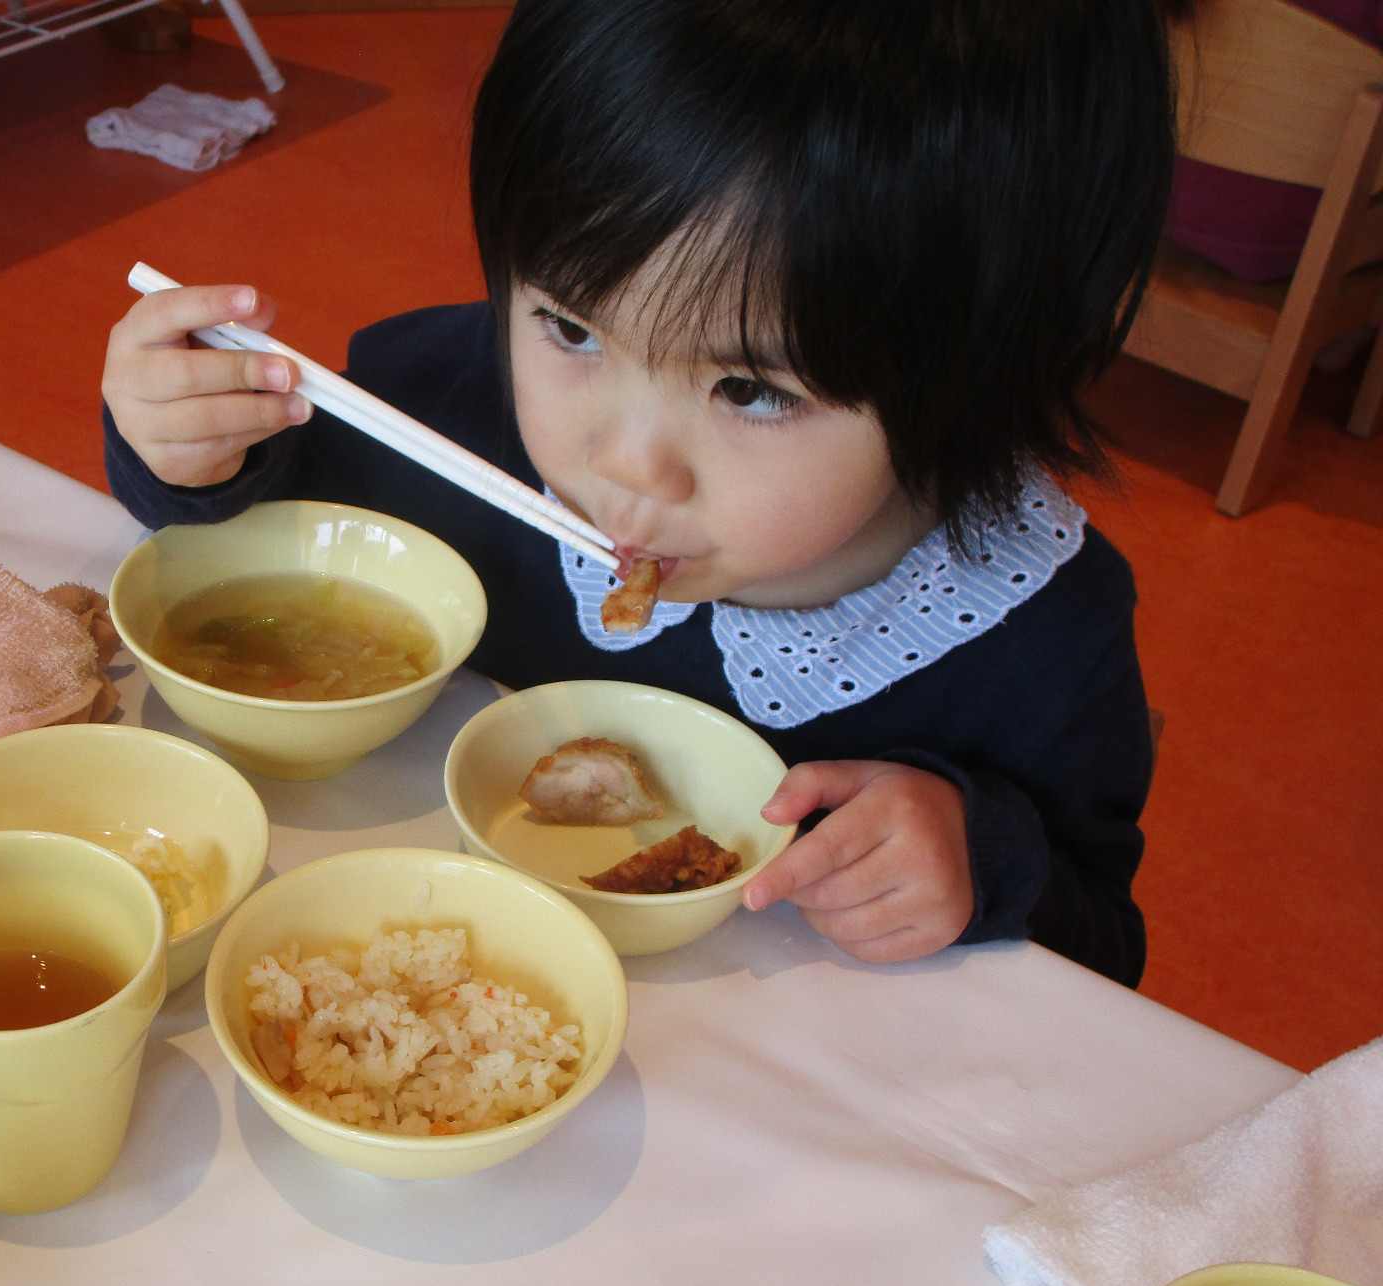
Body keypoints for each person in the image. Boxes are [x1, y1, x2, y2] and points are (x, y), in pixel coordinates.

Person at [100, 0, 1174, 987]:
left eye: (747, 389)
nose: (620, 461)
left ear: (976, 378)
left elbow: (1101, 957)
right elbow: (271, 520)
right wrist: (199, 450)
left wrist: (977, 862)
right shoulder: (445, 401)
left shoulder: (1032, 638)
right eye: (570, 328)